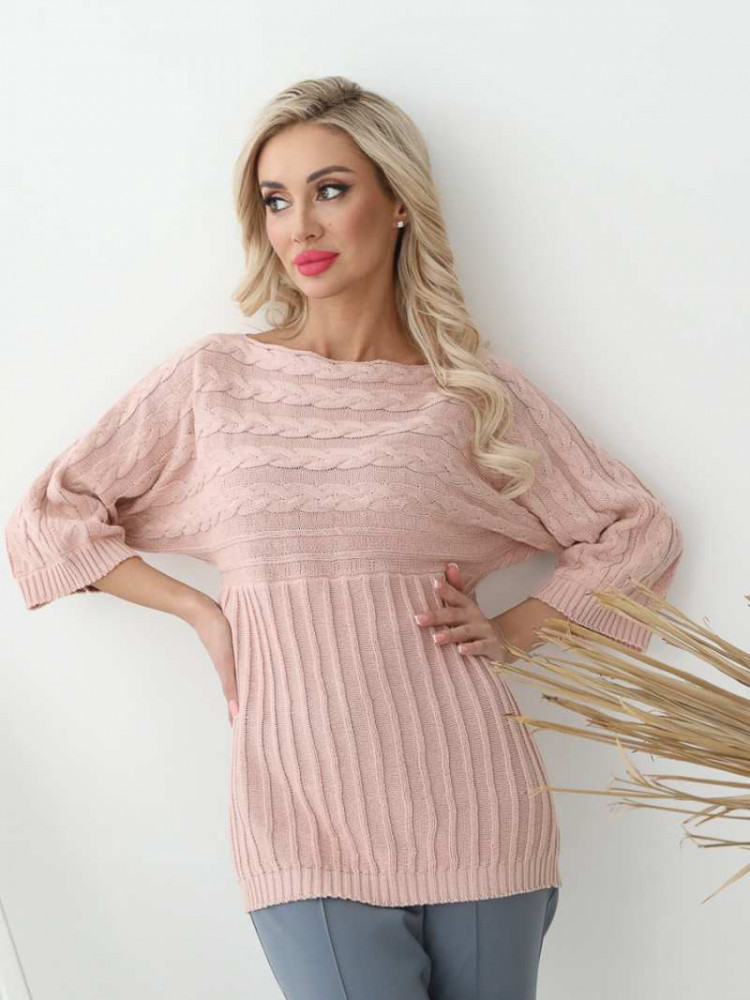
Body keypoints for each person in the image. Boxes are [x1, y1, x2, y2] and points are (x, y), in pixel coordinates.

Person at [5, 75, 684, 999]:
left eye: (330, 189)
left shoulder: (470, 392)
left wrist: (516, 630)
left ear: (398, 202)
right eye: (276, 200)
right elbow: (50, 515)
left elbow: (636, 530)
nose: (301, 227)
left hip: (479, 799)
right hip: (299, 813)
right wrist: (201, 612)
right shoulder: (215, 380)